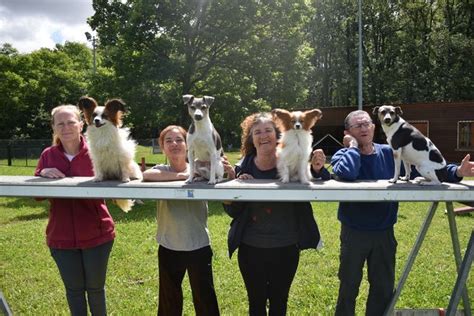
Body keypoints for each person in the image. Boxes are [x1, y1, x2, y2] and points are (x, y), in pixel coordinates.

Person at [331, 110, 474, 316]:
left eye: (367, 124)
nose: (364, 128)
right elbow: (349, 173)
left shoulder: (391, 153)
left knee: (382, 288)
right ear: (347, 132)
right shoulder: (342, 155)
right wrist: (352, 148)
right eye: (357, 126)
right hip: (354, 233)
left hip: (384, 233)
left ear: (374, 127)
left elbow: (426, 166)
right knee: (348, 286)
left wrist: (457, 172)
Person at [222, 112, 330, 316]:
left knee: (280, 303)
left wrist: (317, 169)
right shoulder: (241, 168)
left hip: (286, 247)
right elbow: (232, 211)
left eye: (268, 130)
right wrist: (234, 188)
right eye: (257, 132)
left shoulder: (292, 161)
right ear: (251, 139)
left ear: (278, 134)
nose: (263, 136)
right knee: (256, 303)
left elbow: (320, 178)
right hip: (251, 248)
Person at [35, 105, 115, 316]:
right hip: (61, 238)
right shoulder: (48, 155)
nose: (66, 127)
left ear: (81, 124)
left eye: (71, 122)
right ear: (53, 127)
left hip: (97, 235)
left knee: (96, 290)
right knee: (74, 291)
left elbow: (118, 175)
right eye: (60, 123)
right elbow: (37, 194)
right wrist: (42, 172)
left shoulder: (98, 150)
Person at [142, 125, 224, 316]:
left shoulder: (202, 168)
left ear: (188, 144)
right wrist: (181, 176)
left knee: (205, 298)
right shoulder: (160, 170)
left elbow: (222, 179)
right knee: (169, 300)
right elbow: (146, 175)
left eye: (179, 140)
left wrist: (224, 169)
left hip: (198, 245)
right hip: (169, 245)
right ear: (162, 147)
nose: (174, 144)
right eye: (168, 141)